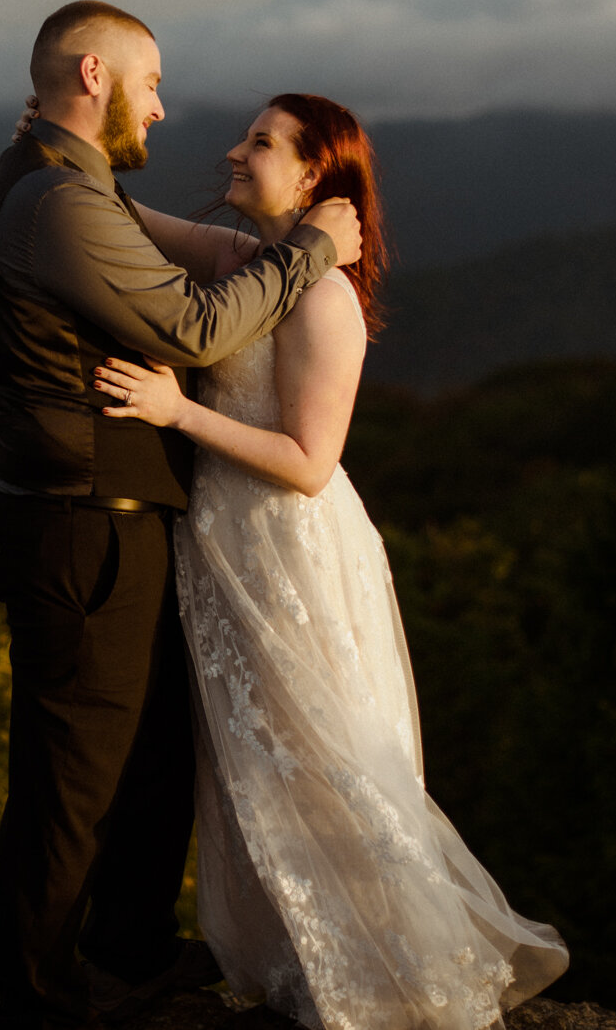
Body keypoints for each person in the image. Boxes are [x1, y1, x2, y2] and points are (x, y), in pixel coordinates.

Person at [93, 95, 570, 1030]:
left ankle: (384, 979)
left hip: (287, 553)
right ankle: (317, 965)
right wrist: (57, 152)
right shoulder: (254, 261)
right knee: (254, 766)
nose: (234, 150)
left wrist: (175, 410)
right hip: (228, 547)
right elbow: (118, 219)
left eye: (260, 143)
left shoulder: (324, 298)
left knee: (318, 761)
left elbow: (310, 465)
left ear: (314, 175)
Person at [0, 4, 364, 1030]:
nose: (165, 109)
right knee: (73, 776)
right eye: (149, 87)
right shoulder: (58, 200)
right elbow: (190, 324)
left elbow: (200, 257)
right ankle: (40, 996)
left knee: (146, 750)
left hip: (111, 512)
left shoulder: (59, 184)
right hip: (80, 515)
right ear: (94, 77)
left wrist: (295, 247)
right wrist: (311, 248)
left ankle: (128, 951)